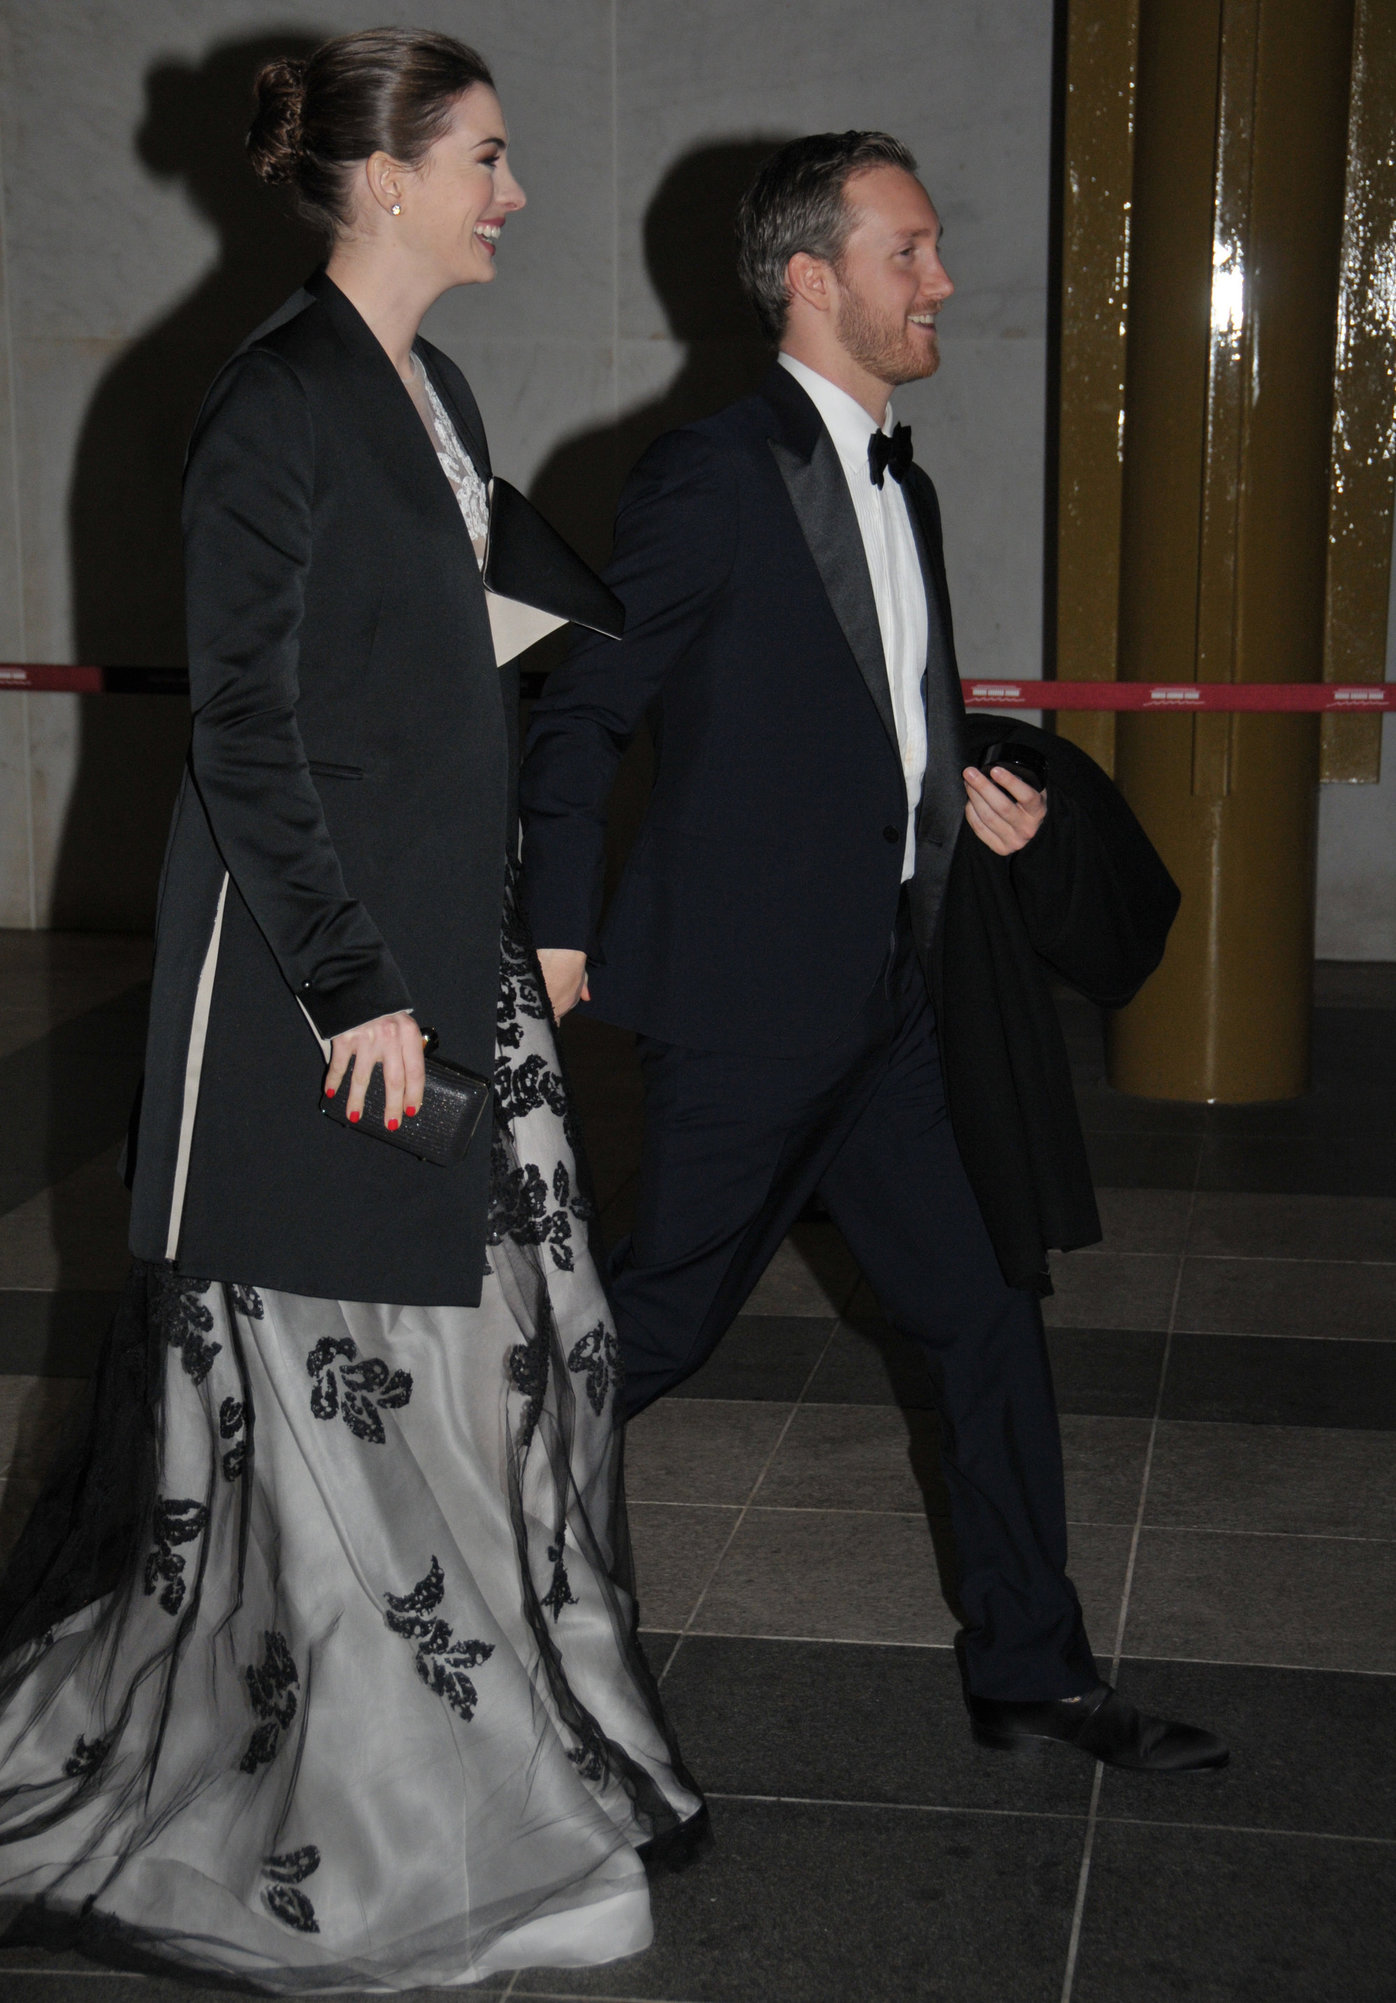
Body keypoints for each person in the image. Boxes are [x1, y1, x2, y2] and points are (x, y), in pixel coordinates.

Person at [0, 28, 701, 1991]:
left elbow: (406, 653)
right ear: (385, 177)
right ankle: (397, 1839)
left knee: (514, 1370)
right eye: (486, 158)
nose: (514, 192)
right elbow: (245, 730)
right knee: (358, 1401)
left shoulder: (431, 387)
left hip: (444, 947)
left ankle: (486, 1776)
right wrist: (354, 987)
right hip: (326, 994)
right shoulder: (271, 402)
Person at [520, 132, 1228, 1775]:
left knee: (983, 1314)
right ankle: (425, 1583)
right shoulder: (709, 472)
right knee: (647, 1333)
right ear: (808, 278)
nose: (943, 283)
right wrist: (554, 926)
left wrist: (974, 799)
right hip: (753, 1008)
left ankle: (1032, 1671)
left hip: (895, 1000)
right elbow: (587, 711)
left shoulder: (904, 482)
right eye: (907, 252)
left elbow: (876, 712)